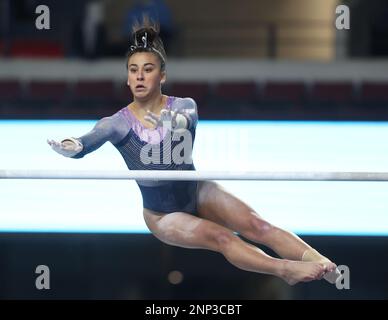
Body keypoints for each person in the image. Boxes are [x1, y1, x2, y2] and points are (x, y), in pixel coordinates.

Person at [48, 20, 340, 286]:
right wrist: (71, 146)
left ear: (162, 76)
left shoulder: (185, 106)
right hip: (163, 214)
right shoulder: (116, 123)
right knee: (222, 237)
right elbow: (85, 143)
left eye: (148, 69)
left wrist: (158, 121)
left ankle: (318, 260)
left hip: (196, 191)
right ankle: (284, 270)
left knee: (258, 225)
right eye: (133, 70)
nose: (139, 77)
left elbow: (173, 150)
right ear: (127, 78)